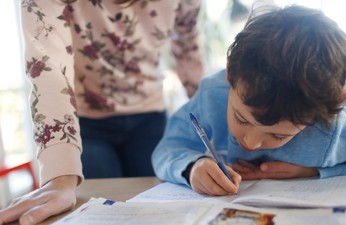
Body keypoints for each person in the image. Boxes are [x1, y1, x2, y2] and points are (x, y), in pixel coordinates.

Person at [151, 4, 346, 196]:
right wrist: (192, 166)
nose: (251, 142)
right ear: (230, 75)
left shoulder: (332, 129)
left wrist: (317, 171)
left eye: (279, 135)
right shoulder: (213, 94)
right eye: (241, 118)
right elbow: (167, 148)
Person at [0, 0, 203, 224]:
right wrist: (60, 175)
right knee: (99, 212)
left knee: (159, 213)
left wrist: (212, 126)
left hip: (150, 118)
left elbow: (187, 46)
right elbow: (49, 70)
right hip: (85, 123)